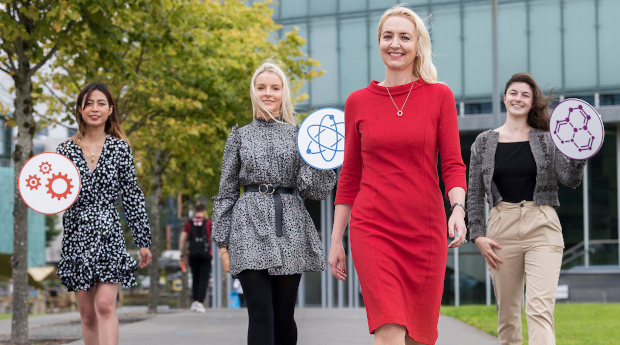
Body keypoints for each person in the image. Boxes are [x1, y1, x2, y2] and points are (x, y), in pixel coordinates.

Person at [328, 5, 468, 345]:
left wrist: (459, 210)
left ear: (417, 45)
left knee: (418, 338)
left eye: (405, 37)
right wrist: (336, 240)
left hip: (425, 229)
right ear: (378, 42)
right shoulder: (357, 101)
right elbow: (349, 176)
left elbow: (452, 164)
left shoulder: (440, 96)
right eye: (388, 36)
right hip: (373, 228)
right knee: (389, 329)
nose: (396, 43)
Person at [212, 60, 337, 345]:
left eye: (275, 87)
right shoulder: (238, 136)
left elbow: (312, 190)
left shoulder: (300, 134)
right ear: (253, 91)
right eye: (261, 87)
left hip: (289, 225)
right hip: (248, 225)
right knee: (259, 313)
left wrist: (323, 159)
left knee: (283, 316)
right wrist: (222, 244)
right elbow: (227, 192)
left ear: (284, 92)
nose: (268, 93)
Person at [467, 73, 586, 345]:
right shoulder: (483, 142)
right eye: (514, 93)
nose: (518, 98)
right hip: (501, 229)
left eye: (525, 95)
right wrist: (478, 235)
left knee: (539, 309)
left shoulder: (547, 139)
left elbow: (571, 179)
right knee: (508, 315)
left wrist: (579, 157)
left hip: (542, 225)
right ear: (504, 97)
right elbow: (474, 193)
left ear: (532, 103)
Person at [56, 83, 152, 345]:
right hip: (77, 236)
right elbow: (54, 193)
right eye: (88, 103)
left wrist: (143, 241)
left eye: (101, 103)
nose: (94, 109)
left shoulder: (120, 149)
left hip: (109, 234)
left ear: (110, 110)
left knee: (105, 306)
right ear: (79, 109)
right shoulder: (64, 150)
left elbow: (131, 196)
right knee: (87, 315)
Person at [178, 204, 212, 313]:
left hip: (192, 255)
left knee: (195, 277)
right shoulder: (208, 223)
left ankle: (195, 301)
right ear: (204, 211)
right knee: (204, 278)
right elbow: (212, 237)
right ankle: (200, 302)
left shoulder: (188, 223)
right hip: (206, 254)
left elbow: (182, 239)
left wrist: (181, 255)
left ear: (195, 211)